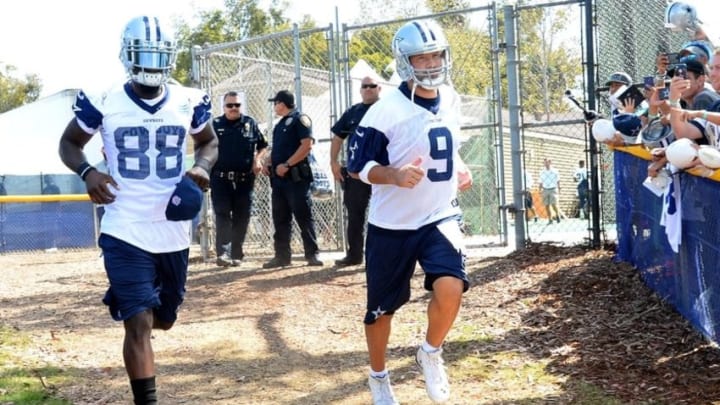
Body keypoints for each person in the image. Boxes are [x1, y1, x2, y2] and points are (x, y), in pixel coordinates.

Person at [58, 15, 218, 405]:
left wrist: (200, 166)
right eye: (142, 54)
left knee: (163, 318)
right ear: (127, 56)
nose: (150, 62)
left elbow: (209, 142)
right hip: (123, 225)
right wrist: (87, 171)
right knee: (139, 323)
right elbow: (69, 142)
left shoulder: (189, 98)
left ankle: (136, 298)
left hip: (173, 229)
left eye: (156, 55)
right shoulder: (103, 97)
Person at [347, 19, 473, 405]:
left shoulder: (450, 97)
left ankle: (431, 351)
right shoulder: (385, 110)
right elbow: (357, 165)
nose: (432, 63)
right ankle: (379, 376)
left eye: (437, 55)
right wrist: (393, 174)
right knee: (381, 311)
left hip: (439, 214)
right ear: (405, 62)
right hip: (392, 224)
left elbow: (443, 145)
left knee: (451, 287)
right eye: (422, 56)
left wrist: (459, 164)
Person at [261, 90, 323, 268]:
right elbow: (279, 149)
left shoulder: (300, 119)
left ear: (282, 103)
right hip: (279, 180)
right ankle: (282, 256)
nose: (274, 107)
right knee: (280, 218)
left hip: (295, 178)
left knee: (303, 216)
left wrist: (287, 165)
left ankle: (312, 254)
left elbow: (307, 145)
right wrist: (268, 161)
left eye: (276, 103)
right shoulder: (280, 125)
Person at [210, 91, 268, 267]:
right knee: (222, 214)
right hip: (221, 179)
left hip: (245, 179)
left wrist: (257, 160)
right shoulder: (215, 124)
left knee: (242, 216)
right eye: (230, 105)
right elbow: (205, 147)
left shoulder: (250, 123)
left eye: (237, 105)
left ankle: (237, 253)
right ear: (224, 107)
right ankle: (223, 253)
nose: (234, 108)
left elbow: (263, 145)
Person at [329, 76, 380, 266]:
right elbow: (337, 137)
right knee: (355, 215)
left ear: (379, 88)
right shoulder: (352, 112)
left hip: (382, 173)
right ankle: (354, 255)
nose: (368, 89)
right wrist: (333, 162)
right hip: (355, 172)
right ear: (360, 90)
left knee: (383, 215)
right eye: (364, 86)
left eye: (372, 86)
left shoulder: (387, 109)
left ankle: (379, 256)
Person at [539, 158, 561, 224]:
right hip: (545, 189)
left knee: (554, 204)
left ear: (550, 162)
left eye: (547, 162)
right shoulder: (542, 172)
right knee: (546, 205)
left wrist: (559, 188)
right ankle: (550, 219)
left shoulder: (555, 171)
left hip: (553, 189)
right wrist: (540, 189)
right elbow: (540, 181)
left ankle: (557, 215)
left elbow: (558, 180)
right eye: (544, 162)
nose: (545, 164)